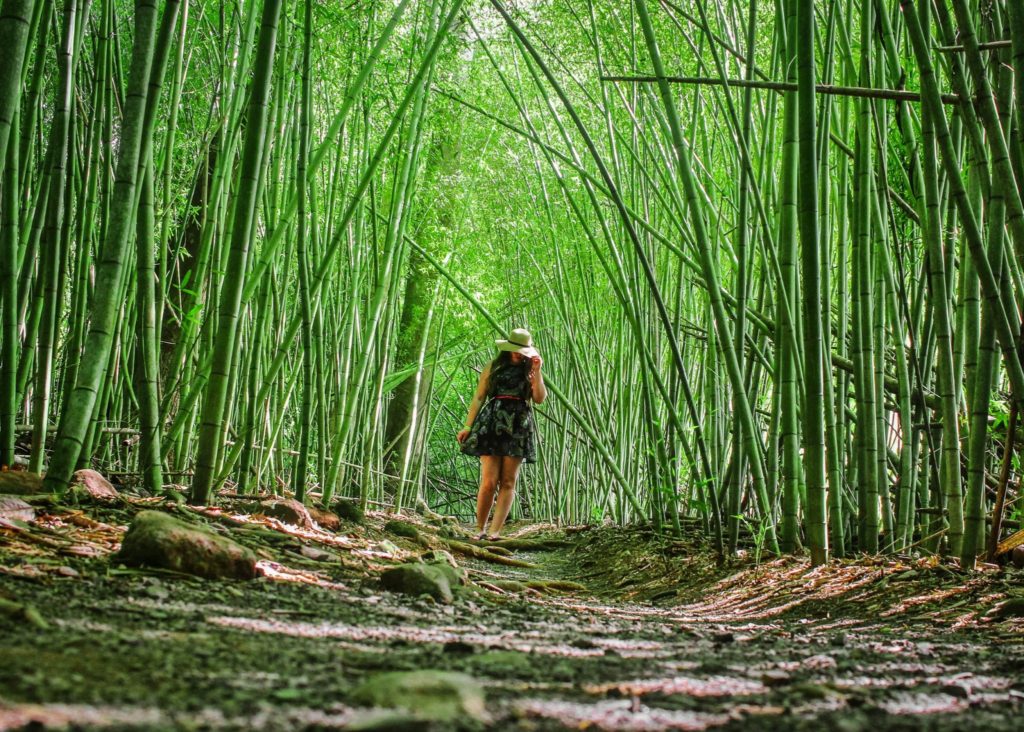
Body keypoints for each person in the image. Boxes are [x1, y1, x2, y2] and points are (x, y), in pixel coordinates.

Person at [457, 328, 546, 540]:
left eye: (522, 350)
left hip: (518, 424)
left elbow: (540, 398)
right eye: (515, 349)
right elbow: (479, 397)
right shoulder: (493, 366)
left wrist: (538, 372)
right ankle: (479, 529)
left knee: (508, 481)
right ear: (507, 348)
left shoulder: (530, 370)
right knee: (489, 481)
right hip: (492, 421)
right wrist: (468, 427)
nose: (518, 353)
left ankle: (495, 531)